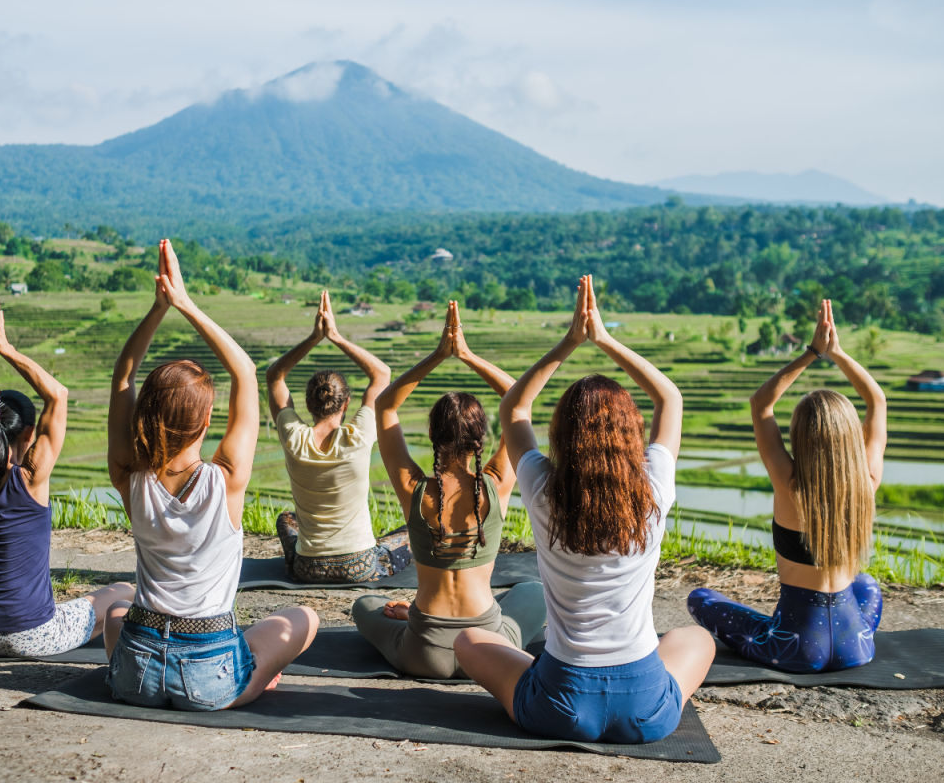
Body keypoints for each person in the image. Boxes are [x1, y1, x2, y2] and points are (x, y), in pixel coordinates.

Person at [454, 275, 714, 744]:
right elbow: (669, 398)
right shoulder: (653, 487)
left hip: (559, 704)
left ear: (565, 435)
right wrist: (605, 339)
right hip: (647, 710)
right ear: (630, 432)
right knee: (698, 639)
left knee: (467, 640)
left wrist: (570, 341)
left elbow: (514, 409)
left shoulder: (542, 488)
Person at [103, 239, 318, 711]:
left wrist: (158, 310)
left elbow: (123, 375)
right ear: (205, 424)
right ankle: (254, 680)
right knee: (305, 616)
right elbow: (243, 370)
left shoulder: (129, 478)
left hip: (134, 675)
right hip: (208, 677)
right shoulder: (226, 479)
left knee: (118, 612)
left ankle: (237, 676)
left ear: (145, 416)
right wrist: (185, 303)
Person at [687, 299, 886, 672]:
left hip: (794, 648)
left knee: (701, 599)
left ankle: (780, 634)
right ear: (849, 438)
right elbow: (876, 401)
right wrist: (837, 354)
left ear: (800, 437)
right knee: (867, 585)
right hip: (856, 646)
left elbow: (761, 404)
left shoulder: (789, 484)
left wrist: (812, 352)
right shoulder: (867, 483)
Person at [351, 301, 547, 680]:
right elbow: (516, 397)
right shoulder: (496, 485)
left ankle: (412, 615)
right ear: (482, 440)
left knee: (367, 604)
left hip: (425, 651)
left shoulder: (414, 490)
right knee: (533, 591)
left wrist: (438, 355)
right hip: (490, 647)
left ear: (432, 437)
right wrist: (467, 355)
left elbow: (385, 407)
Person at [0, 298, 132, 658]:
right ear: (29, 432)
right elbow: (57, 394)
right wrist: (3, 347)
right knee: (122, 591)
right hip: (36, 636)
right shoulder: (31, 477)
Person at [265, 290, 410, 583]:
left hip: (308, 568)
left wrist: (313, 339)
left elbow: (274, 377)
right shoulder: (358, 436)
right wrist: (336, 337)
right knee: (412, 530)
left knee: (286, 519)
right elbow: (382, 374)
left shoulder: (293, 436)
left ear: (306, 405)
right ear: (346, 404)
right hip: (361, 565)